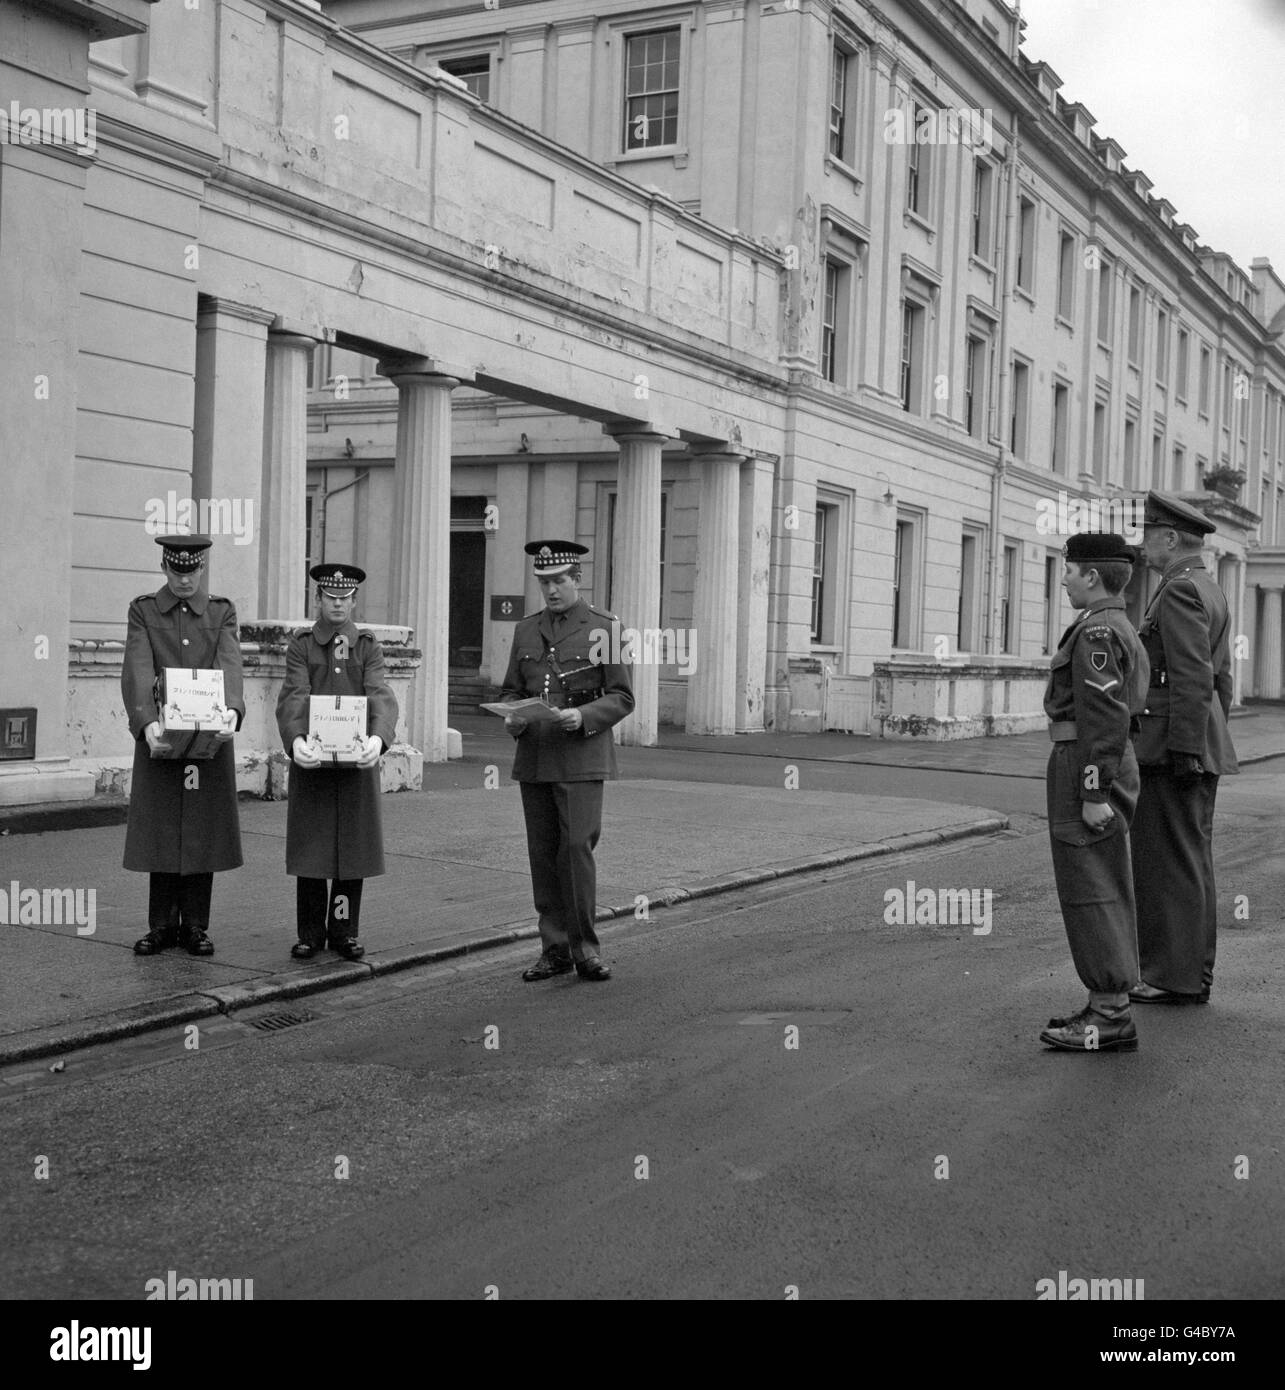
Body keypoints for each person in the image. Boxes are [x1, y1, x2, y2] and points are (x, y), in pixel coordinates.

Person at [501, 540, 635, 983]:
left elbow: (622, 696)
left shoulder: (604, 627)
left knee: (575, 851)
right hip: (536, 755)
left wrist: (583, 715)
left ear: (577, 579)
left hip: (581, 756)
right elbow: (509, 690)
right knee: (543, 855)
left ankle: (586, 950)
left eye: (559, 581)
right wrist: (512, 717)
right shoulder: (526, 629)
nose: (552, 590)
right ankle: (554, 949)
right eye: (544, 582)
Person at [1039, 533, 1150, 1053]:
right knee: (1101, 881)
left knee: (1092, 888)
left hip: (1088, 763)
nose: (1064, 578)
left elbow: (1104, 716)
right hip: (1096, 761)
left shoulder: (1098, 632)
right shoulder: (1111, 624)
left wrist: (1092, 790)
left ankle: (1110, 1013)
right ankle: (1107, 1001)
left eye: (1070, 570)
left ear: (1092, 576)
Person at [1129, 491, 1238, 1006]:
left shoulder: (1177, 591)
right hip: (1199, 740)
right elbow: (1224, 681)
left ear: (1171, 539)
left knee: (1166, 864)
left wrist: (1185, 751)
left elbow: (1193, 675)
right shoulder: (1208, 587)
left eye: (1149, 535)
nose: (1142, 545)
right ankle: (1192, 974)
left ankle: (1172, 977)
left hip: (1175, 747)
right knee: (1191, 861)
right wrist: (1208, 738)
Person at [123, 534, 243, 957]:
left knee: (200, 830)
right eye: (177, 571)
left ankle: (195, 925)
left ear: (202, 569)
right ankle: (160, 926)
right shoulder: (143, 611)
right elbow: (138, 665)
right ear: (164, 568)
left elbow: (229, 661)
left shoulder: (221, 612)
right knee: (162, 829)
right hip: (161, 734)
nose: (185, 579)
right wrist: (145, 721)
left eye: (192, 571)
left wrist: (231, 709)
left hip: (208, 738)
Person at [275, 564, 398, 961]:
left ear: (354, 600)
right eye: (331, 597)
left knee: (352, 849)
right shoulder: (303, 645)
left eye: (345, 598)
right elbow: (294, 694)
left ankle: (344, 932)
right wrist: (295, 740)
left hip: (356, 763)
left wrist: (379, 738)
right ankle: (310, 933)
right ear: (319, 599)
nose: (338, 604)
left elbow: (379, 692)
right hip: (313, 763)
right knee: (312, 848)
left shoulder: (366, 646)